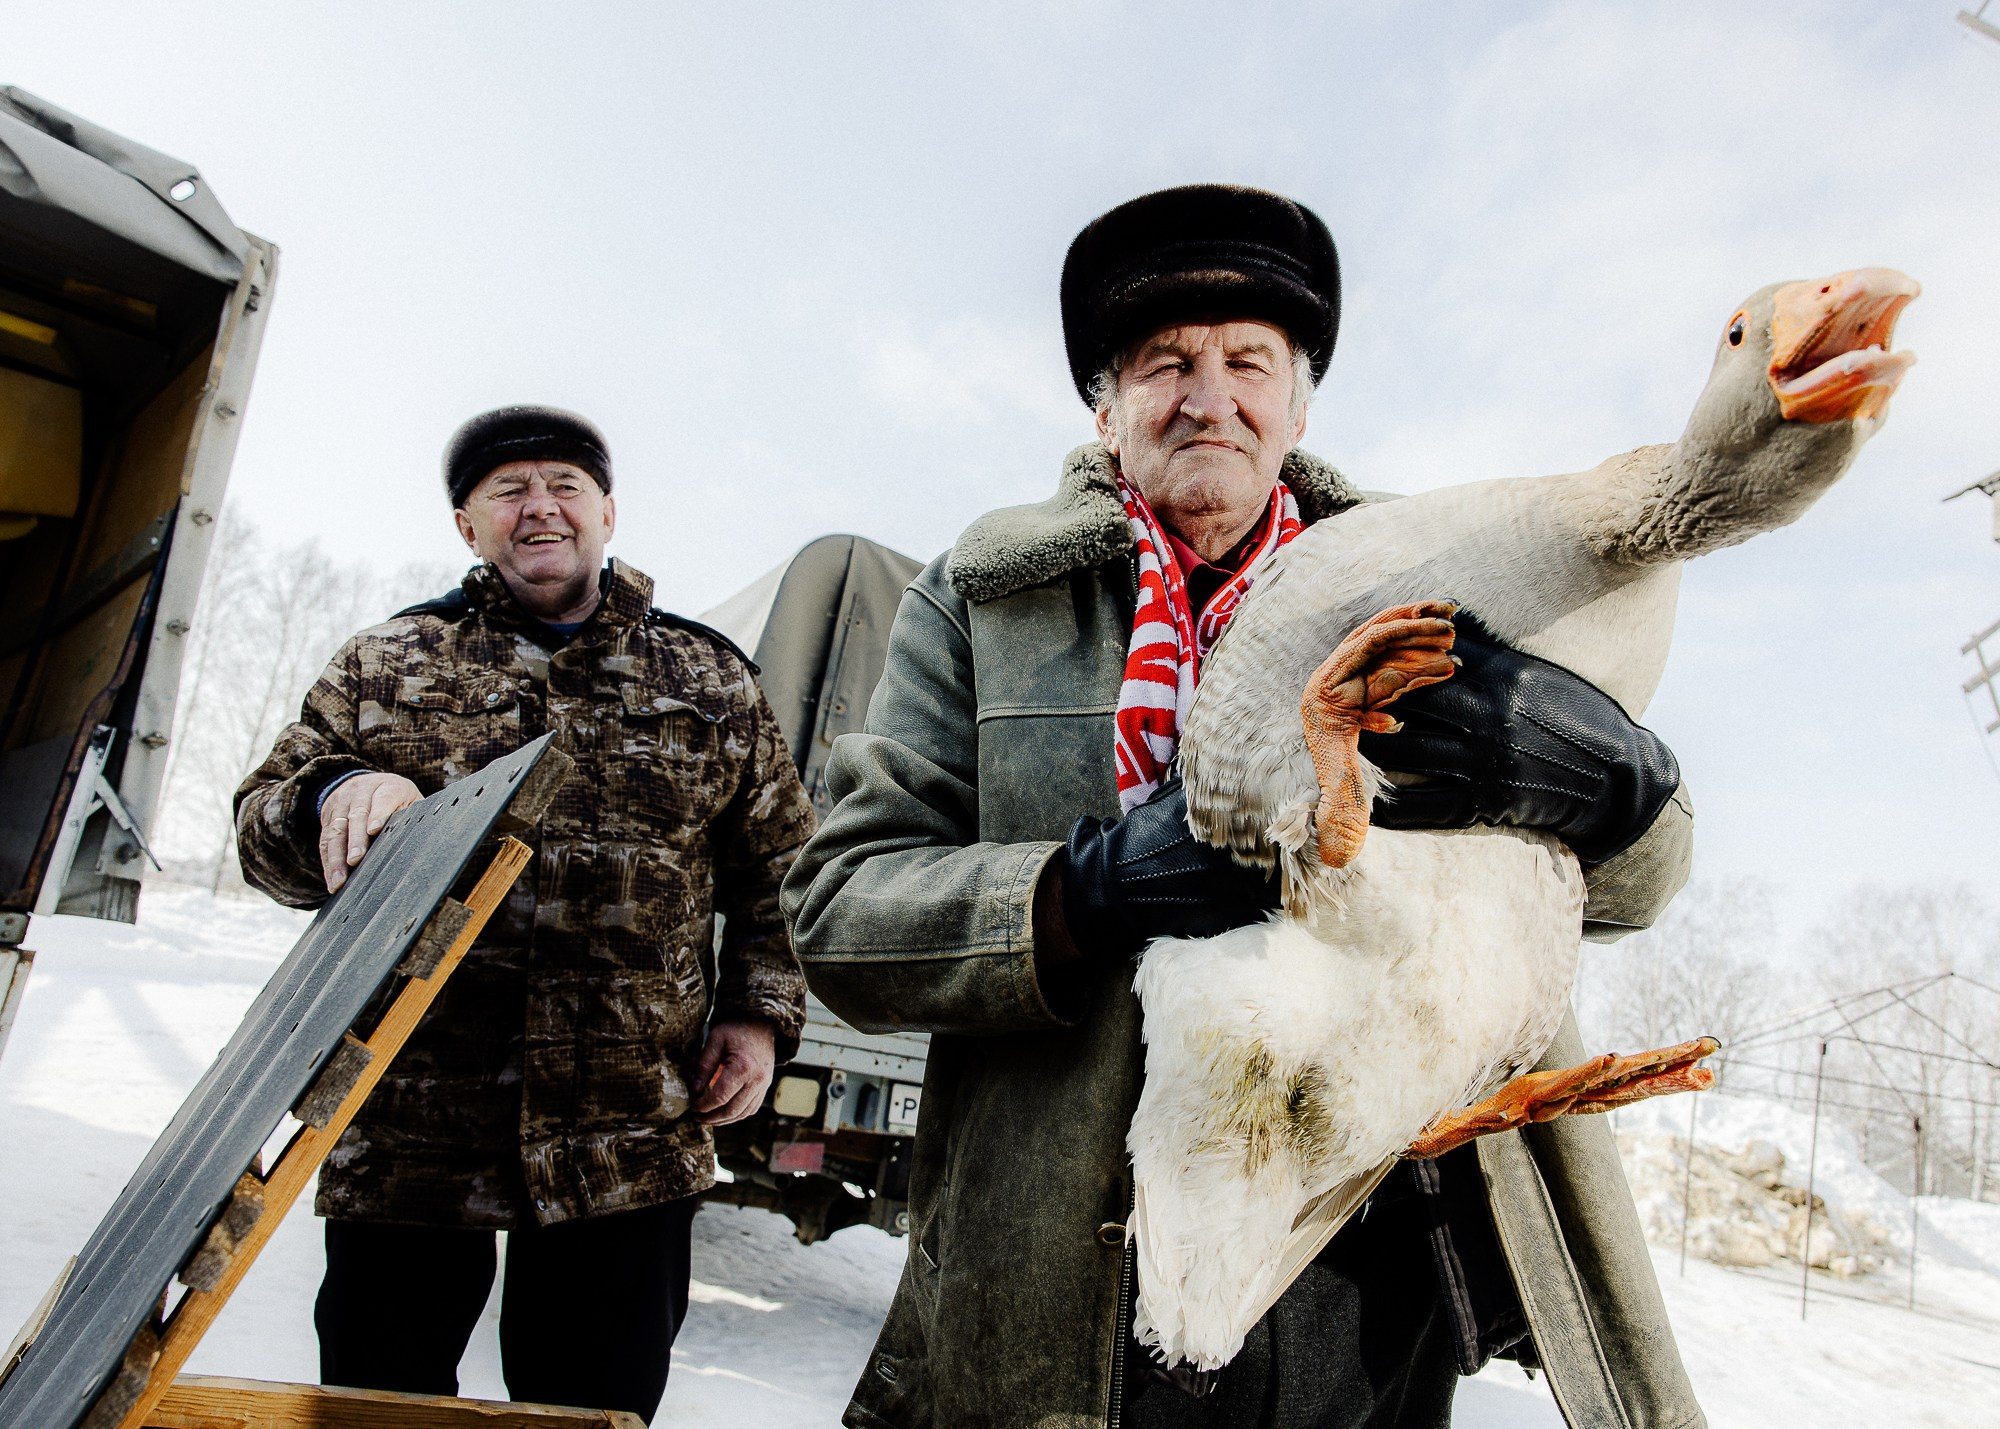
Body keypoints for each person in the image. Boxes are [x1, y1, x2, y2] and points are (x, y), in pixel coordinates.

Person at [782, 186, 1703, 1429]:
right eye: (1162, 363)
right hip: (1076, 1267)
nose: (1205, 396)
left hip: (1364, 1260)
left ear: (1298, 405)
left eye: (1245, 362)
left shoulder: (1432, 582)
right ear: (1104, 409)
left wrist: (1609, 785)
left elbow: (1638, 888)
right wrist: (1082, 891)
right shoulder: (984, 603)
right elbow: (841, 911)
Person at [235, 406, 815, 1422]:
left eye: (564, 485)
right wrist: (332, 792)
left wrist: (758, 1012)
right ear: (467, 526)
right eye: (508, 490)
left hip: (627, 1133)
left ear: (607, 512)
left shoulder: (709, 678)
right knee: (378, 1405)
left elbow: (783, 871)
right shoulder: (388, 663)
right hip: (412, 1129)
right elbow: (259, 833)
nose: (538, 507)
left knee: (590, 1412)